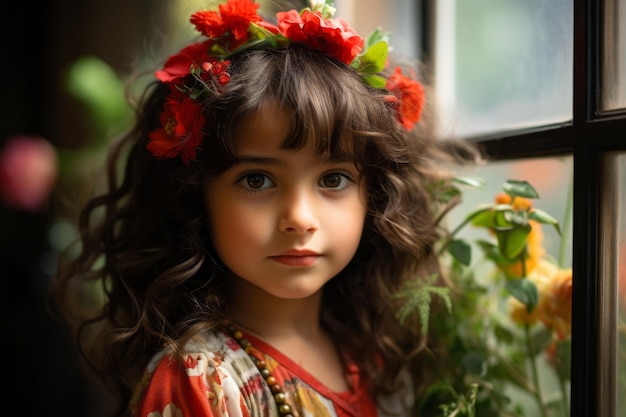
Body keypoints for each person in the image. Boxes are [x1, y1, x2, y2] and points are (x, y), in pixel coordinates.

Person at [52, 0, 478, 416]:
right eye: (257, 180)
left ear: (376, 197)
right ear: (197, 197)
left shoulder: (372, 351)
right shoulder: (203, 382)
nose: (299, 218)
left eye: (334, 179)